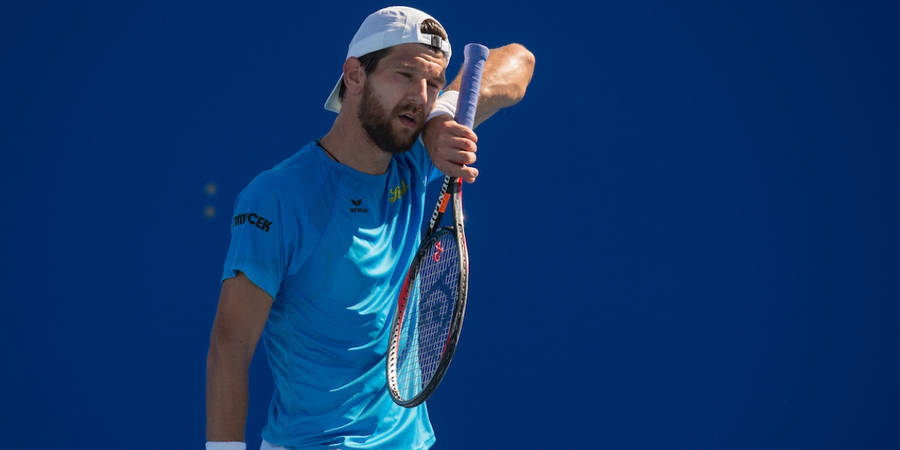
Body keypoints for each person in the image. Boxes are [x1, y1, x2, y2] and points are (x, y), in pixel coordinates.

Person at [206, 6, 534, 450]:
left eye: (433, 83)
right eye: (405, 75)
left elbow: (519, 61)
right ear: (355, 75)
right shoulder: (277, 197)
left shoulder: (417, 159)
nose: (420, 95)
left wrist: (441, 117)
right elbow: (231, 346)